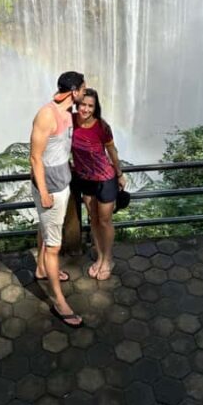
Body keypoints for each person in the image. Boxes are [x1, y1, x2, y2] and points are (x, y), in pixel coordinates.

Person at [30, 71, 86, 327]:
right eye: (83, 90)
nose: (84, 93)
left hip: (62, 182)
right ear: (74, 92)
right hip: (50, 188)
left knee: (47, 228)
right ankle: (59, 302)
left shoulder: (67, 113)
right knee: (54, 246)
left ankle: (42, 269)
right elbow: (35, 158)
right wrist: (43, 192)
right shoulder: (47, 115)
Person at [72, 88, 125, 281]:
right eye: (83, 104)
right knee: (93, 219)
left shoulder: (102, 127)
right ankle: (100, 256)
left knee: (104, 220)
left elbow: (112, 152)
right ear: (77, 104)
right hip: (85, 180)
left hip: (105, 179)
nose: (85, 109)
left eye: (90, 106)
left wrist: (119, 174)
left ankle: (108, 259)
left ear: (95, 108)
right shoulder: (71, 122)